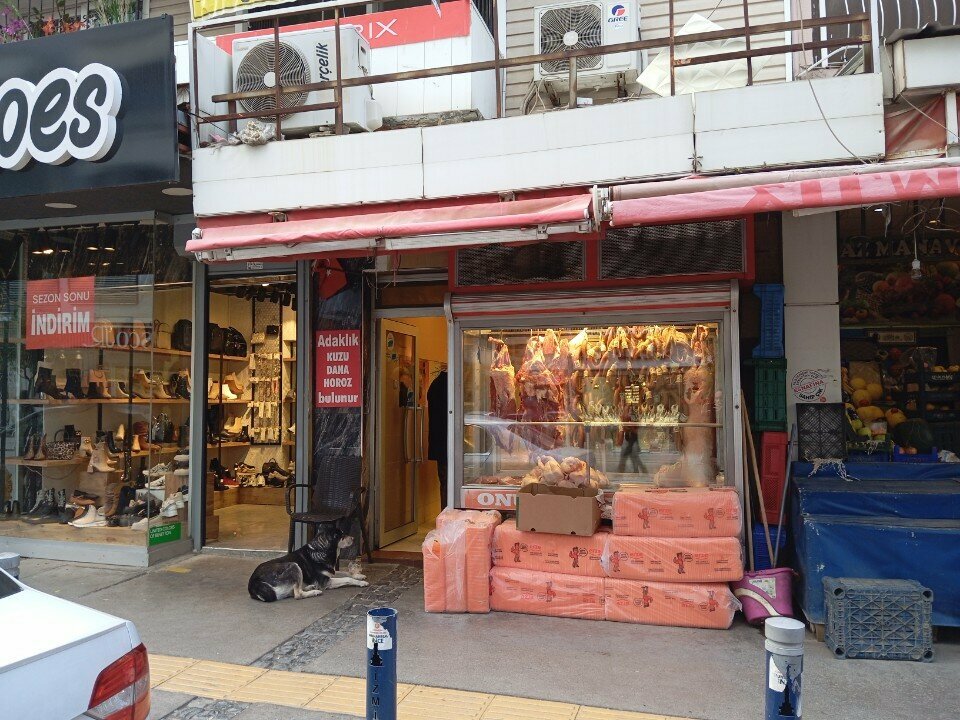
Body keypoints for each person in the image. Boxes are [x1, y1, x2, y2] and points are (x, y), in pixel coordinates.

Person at [426, 367, 448, 508]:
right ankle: (447, 517)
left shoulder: (436, 384)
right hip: (446, 443)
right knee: (448, 482)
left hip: (440, 444)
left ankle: (445, 515)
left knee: (445, 481)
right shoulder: (447, 385)